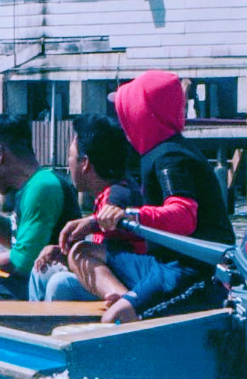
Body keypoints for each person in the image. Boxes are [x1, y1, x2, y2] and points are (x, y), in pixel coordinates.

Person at [62, 71, 235, 323]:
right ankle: (128, 298)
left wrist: (130, 214)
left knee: (114, 320)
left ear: (143, 113)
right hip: (161, 263)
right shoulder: (159, 153)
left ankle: (128, 307)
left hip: (192, 272)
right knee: (81, 251)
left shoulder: (171, 158)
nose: (123, 121)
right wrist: (92, 222)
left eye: (127, 111)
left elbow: (184, 216)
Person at [30, 114, 152, 303]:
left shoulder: (118, 197)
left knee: (58, 282)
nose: (68, 164)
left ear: (85, 163)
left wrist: (87, 229)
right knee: (42, 271)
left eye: (70, 156)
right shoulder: (113, 191)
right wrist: (64, 255)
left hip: (129, 284)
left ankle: (50, 329)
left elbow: (117, 257)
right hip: (118, 275)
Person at [0, 118, 73, 299]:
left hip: (31, 297)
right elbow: (18, 241)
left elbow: (22, 263)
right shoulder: (31, 187)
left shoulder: (42, 187)